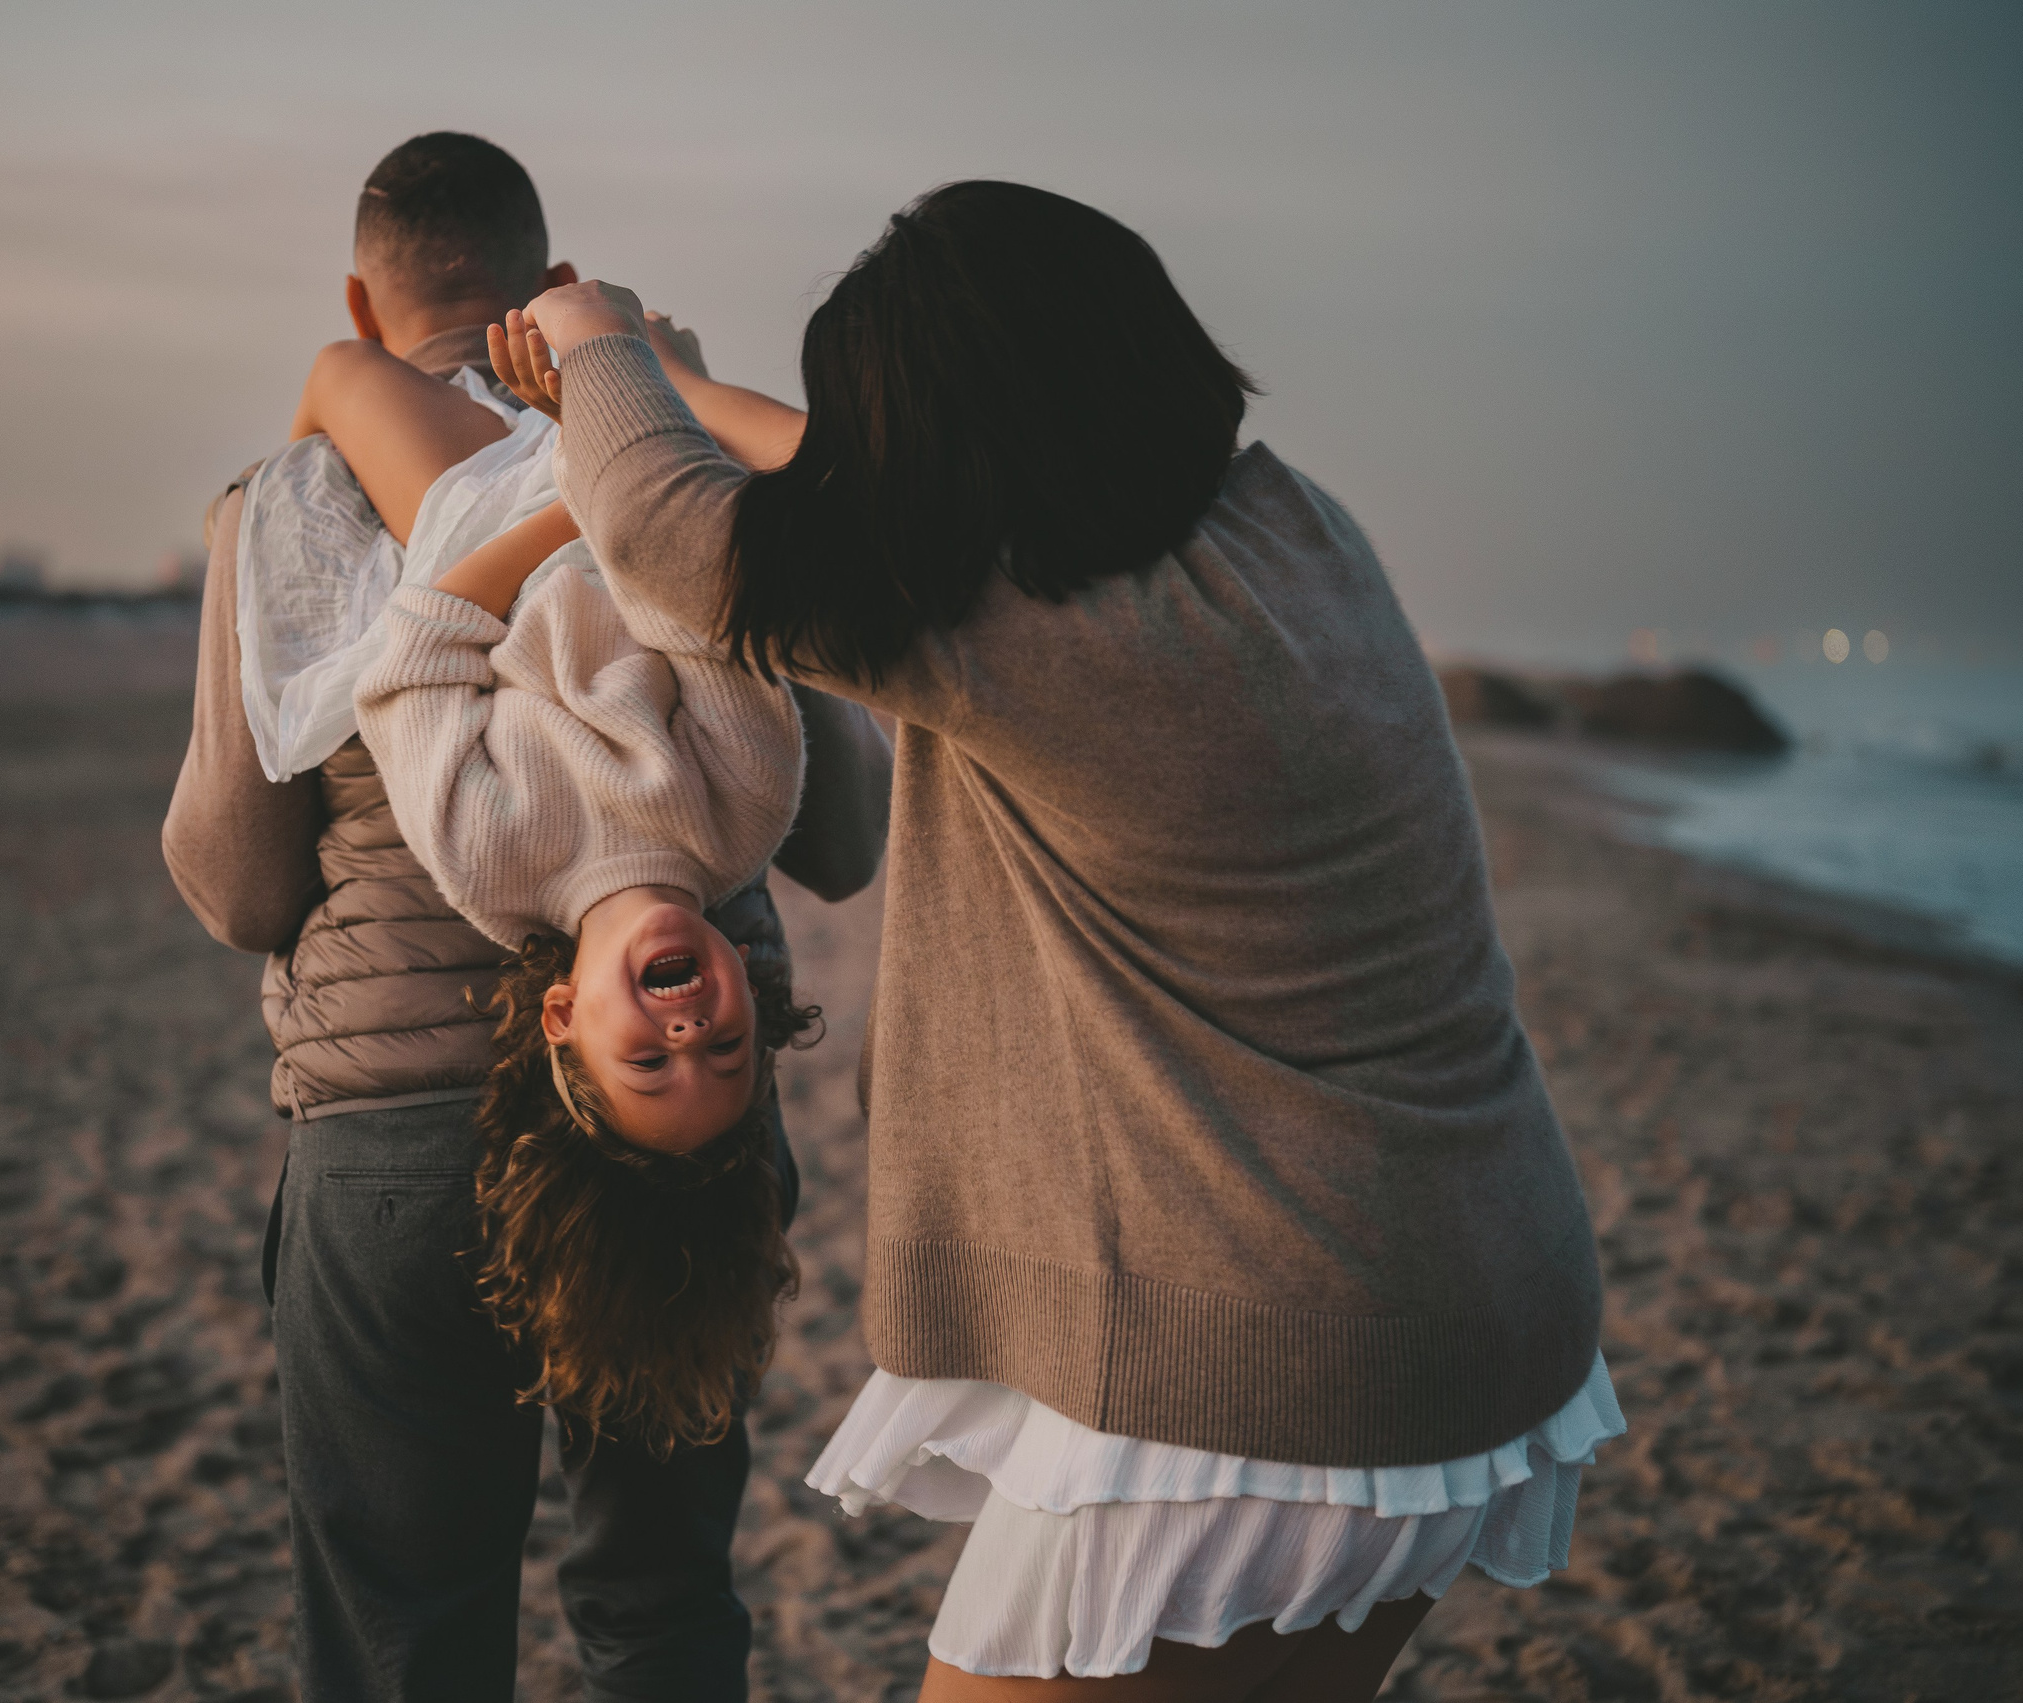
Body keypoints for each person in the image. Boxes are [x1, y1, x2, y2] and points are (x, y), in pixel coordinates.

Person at [497, 179, 1622, 1701]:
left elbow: (660, 542)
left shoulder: (1013, 639)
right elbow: (869, 497)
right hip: (1483, 1297)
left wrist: (590, 337)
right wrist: (691, 392)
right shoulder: (1284, 527)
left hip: (1290, 1361)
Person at [160, 132, 892, 1702]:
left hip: (392, 1141)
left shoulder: (277, 508)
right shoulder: (667, 464)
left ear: (365, 302)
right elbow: (845, 837)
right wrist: (647, 450)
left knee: (405, 1627)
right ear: (562, 291)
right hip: (685, 1176)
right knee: (663, 1600)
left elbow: (236, 891)